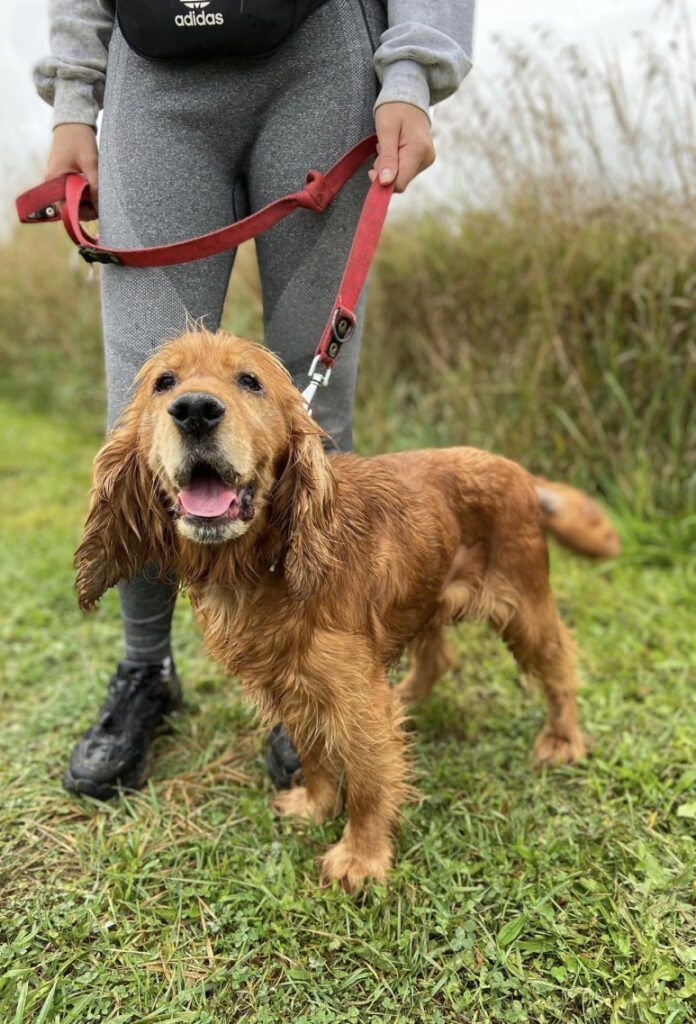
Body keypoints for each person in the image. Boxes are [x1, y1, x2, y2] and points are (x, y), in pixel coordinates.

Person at [35, 0, 475, 799]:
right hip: (152, 72)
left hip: (319, 53)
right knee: (139, 426)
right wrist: (74, 98)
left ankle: (310, 676)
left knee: (314, 413)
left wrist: (411, 70)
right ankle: (145, 669)